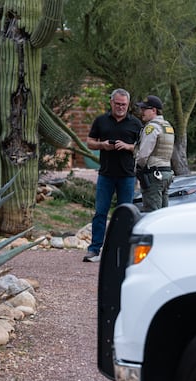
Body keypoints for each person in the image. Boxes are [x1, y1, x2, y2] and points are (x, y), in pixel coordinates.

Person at [83, 88, 143, 262]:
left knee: (125, 214)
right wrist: (103, 145)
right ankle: (94, 250)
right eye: (117, 104)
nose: (120, 107)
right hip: (106, 175)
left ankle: (123, 251)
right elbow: (90, 142)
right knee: (100, 213)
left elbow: (142, 147)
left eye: (123, 104)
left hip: (127, 176)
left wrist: (127, 146)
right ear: (111, 102)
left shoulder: (136, 124)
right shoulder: (101, 121)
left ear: (128, 104)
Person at [135, 95, 175, 211]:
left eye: (144, 109)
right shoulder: (167, 126)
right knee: (163, 213)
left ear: (154, 110)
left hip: (153, 174)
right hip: (166, 173)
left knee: (152, 213)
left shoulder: (151, 127)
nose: (141, 112)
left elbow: (143, 155)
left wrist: (137, 168)